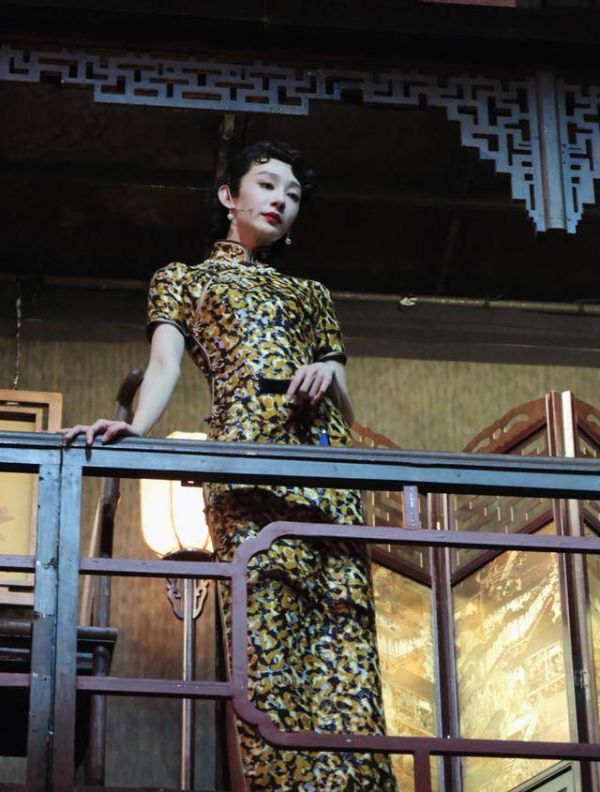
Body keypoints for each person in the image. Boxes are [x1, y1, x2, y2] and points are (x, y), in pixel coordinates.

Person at [64, 141, 397, 791]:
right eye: (267, 185)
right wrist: (135, 429)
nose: (280, 200)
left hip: (325, 462)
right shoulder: (183, 278)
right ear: (228, 195)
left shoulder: (311, 292)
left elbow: (345, 400)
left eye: (293, 194)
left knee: (344, 636)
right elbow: (164, 365)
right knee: (264, 639)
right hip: (245, 461)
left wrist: (326, 371)